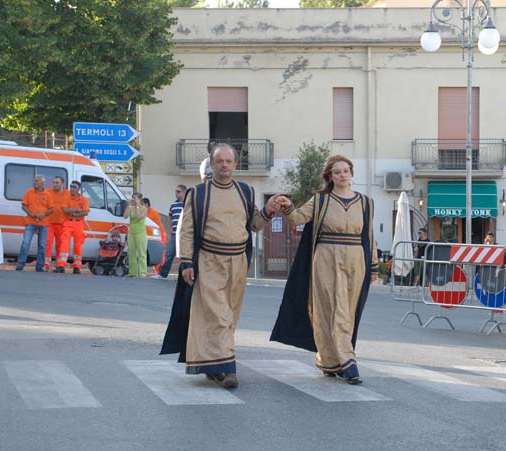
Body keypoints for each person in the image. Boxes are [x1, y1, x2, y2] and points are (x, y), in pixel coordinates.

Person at [161, 144, 277, 389]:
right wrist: (186, 263)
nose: (224, 165)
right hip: (209, 261)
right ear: (212, 164)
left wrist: (268, 211)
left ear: (235, 164)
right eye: (220, 161)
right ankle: (229, 368)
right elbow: (187, 230)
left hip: (238, 262)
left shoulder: (246, 192)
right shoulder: (199, 193)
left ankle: (213, 366)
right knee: (218, 315)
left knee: (229, 316)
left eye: (229, 161)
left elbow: (254, 225)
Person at [271, 155, 379, 385]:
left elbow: (369, 236)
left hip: (356, 258)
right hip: (326, 258)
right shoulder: (320, 200)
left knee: (348, 311)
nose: (342, 175)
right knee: (332, 309)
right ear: (330, 176)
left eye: (345, 171)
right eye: (337, 172)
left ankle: (329, 361)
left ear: (351, 173)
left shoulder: (365, 202)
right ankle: (349, 362)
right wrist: (288, 206)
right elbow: (297, 218)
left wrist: (374, 266)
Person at [17, 175, 52, 271]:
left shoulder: (47, 194)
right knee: (25, 243)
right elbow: (24, 206)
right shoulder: (29, 192)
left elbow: (51, 208)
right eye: (34, 181)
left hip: (44, 223)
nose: (34, 182)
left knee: (42, 245)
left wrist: (43, 214)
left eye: (37, 181)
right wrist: (31, 213)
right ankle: (20, 264)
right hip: (30, 222)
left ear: (42, 183)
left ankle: (39, 266)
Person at [153, 184, 187, 280]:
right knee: (169, 254)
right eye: (175, 191)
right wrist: (170, 228)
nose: (176, 194)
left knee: (185, 255)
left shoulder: (188, 204)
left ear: (184, 192)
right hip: (174, 234)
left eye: (178, 192)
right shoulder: (173, 205)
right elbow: (170, 216)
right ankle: (163, 274)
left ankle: (183, 275)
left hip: (184, 234)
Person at [56, 180, 89, 274]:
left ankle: (77, 267)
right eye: (71, 186)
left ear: (78, 189)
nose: (71, 188)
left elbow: (86, 212)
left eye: (74, 187)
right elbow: (65, 209)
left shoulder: (83, 199)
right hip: (68, 223)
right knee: (64, 244)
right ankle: (61, 265)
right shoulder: (66, 198)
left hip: (79, 224)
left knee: (78, 245)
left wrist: (73, 213)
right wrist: (76, 210)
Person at [44, 176, 70, 271]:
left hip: (62, 223)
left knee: (60, 245)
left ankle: (59, 265)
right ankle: (46, 263)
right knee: (47, 243)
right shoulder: (48, 192)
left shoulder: (68, 194)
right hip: (49, 223)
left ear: (62, 183)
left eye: (57, 183)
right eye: (54, 182)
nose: (54, 184)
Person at [124, 193, 149, 277]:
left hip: (140, 233)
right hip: (132, 233)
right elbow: (125, 216)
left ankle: (142, 273)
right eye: (132, 198)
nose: (133, 199)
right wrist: (128, 205)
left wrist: (138, 205)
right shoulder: (131, 208)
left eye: (135, 198)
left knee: (142, 254)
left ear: (140, 199)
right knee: (131, 253)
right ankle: (133, 272)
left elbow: (139, 217)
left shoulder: (144, 209)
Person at [142, 197, 166, 274]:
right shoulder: (145, 212)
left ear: (146, 205)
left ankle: (159, 272)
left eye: (141, 204)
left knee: (159, 254)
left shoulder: (153, 213)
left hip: (160, 235)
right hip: (153, 235)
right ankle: (158, 272)